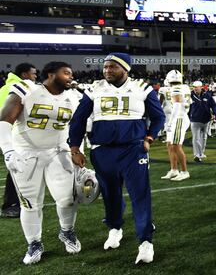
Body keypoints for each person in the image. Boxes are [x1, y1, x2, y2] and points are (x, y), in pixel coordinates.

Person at [68, 52, 166, 264]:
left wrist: (149, 137)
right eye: (105, 67)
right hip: (103, 150)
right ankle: (114, 228)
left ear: (125, 69)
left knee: (140, 195)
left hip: (133, 149)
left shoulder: (142, 87)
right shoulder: (95, 88)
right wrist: (75, 148)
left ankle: (146, 242)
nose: (107, 71)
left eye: (112, 67)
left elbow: (158, 116)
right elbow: (78, 119)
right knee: (110, 195)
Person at [0, 62, 81, 264]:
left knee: (68, 199)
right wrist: (9, 151)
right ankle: (34, 243)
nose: (70, 77)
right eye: (66, 73)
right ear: (51, 74)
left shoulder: (73, 96)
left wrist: (76, 149)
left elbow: (81, 125)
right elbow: (4, 120)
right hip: (27, 154)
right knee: (30, 204)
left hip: (58, 152)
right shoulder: (27, 89)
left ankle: (67, 231)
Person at [1, 63, 37, 219]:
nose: (35, 77)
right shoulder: (20, 88)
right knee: (15, 168)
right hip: (13, 133)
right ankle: (11, 205)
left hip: (7, 132)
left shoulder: (5, 87)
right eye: (33, 74)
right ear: (25, 74)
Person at [160, 69, 191, 181]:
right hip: (181, 117)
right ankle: (174, 170)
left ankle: (184, 171)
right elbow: (188, 103)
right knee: (169, 144)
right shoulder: (186, 87)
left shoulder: (175, 89)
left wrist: (170, 122)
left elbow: (177, 107)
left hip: (179, 119)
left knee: (176, 145)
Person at [189, 80, 216, 162]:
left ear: (201, 87)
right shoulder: (190, 96)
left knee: (204, 137)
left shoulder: (207, 95)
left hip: (206, 120)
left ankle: (201, 153)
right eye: (194, 87)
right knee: (196, 138)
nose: (195, 89)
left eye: (196, 87)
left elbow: (214, 105)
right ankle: (197, 154)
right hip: (195, 120)